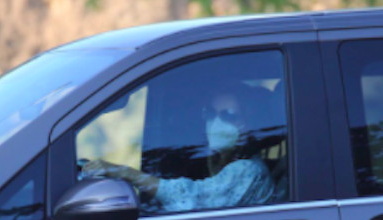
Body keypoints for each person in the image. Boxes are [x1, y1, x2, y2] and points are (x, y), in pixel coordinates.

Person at [81, 84, 276, 213]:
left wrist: (123, 172)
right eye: (210, 113)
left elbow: (191, 197)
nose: (216, 122)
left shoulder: (248, 171)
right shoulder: (220, 164)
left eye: (229, 115)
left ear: (248, 124)